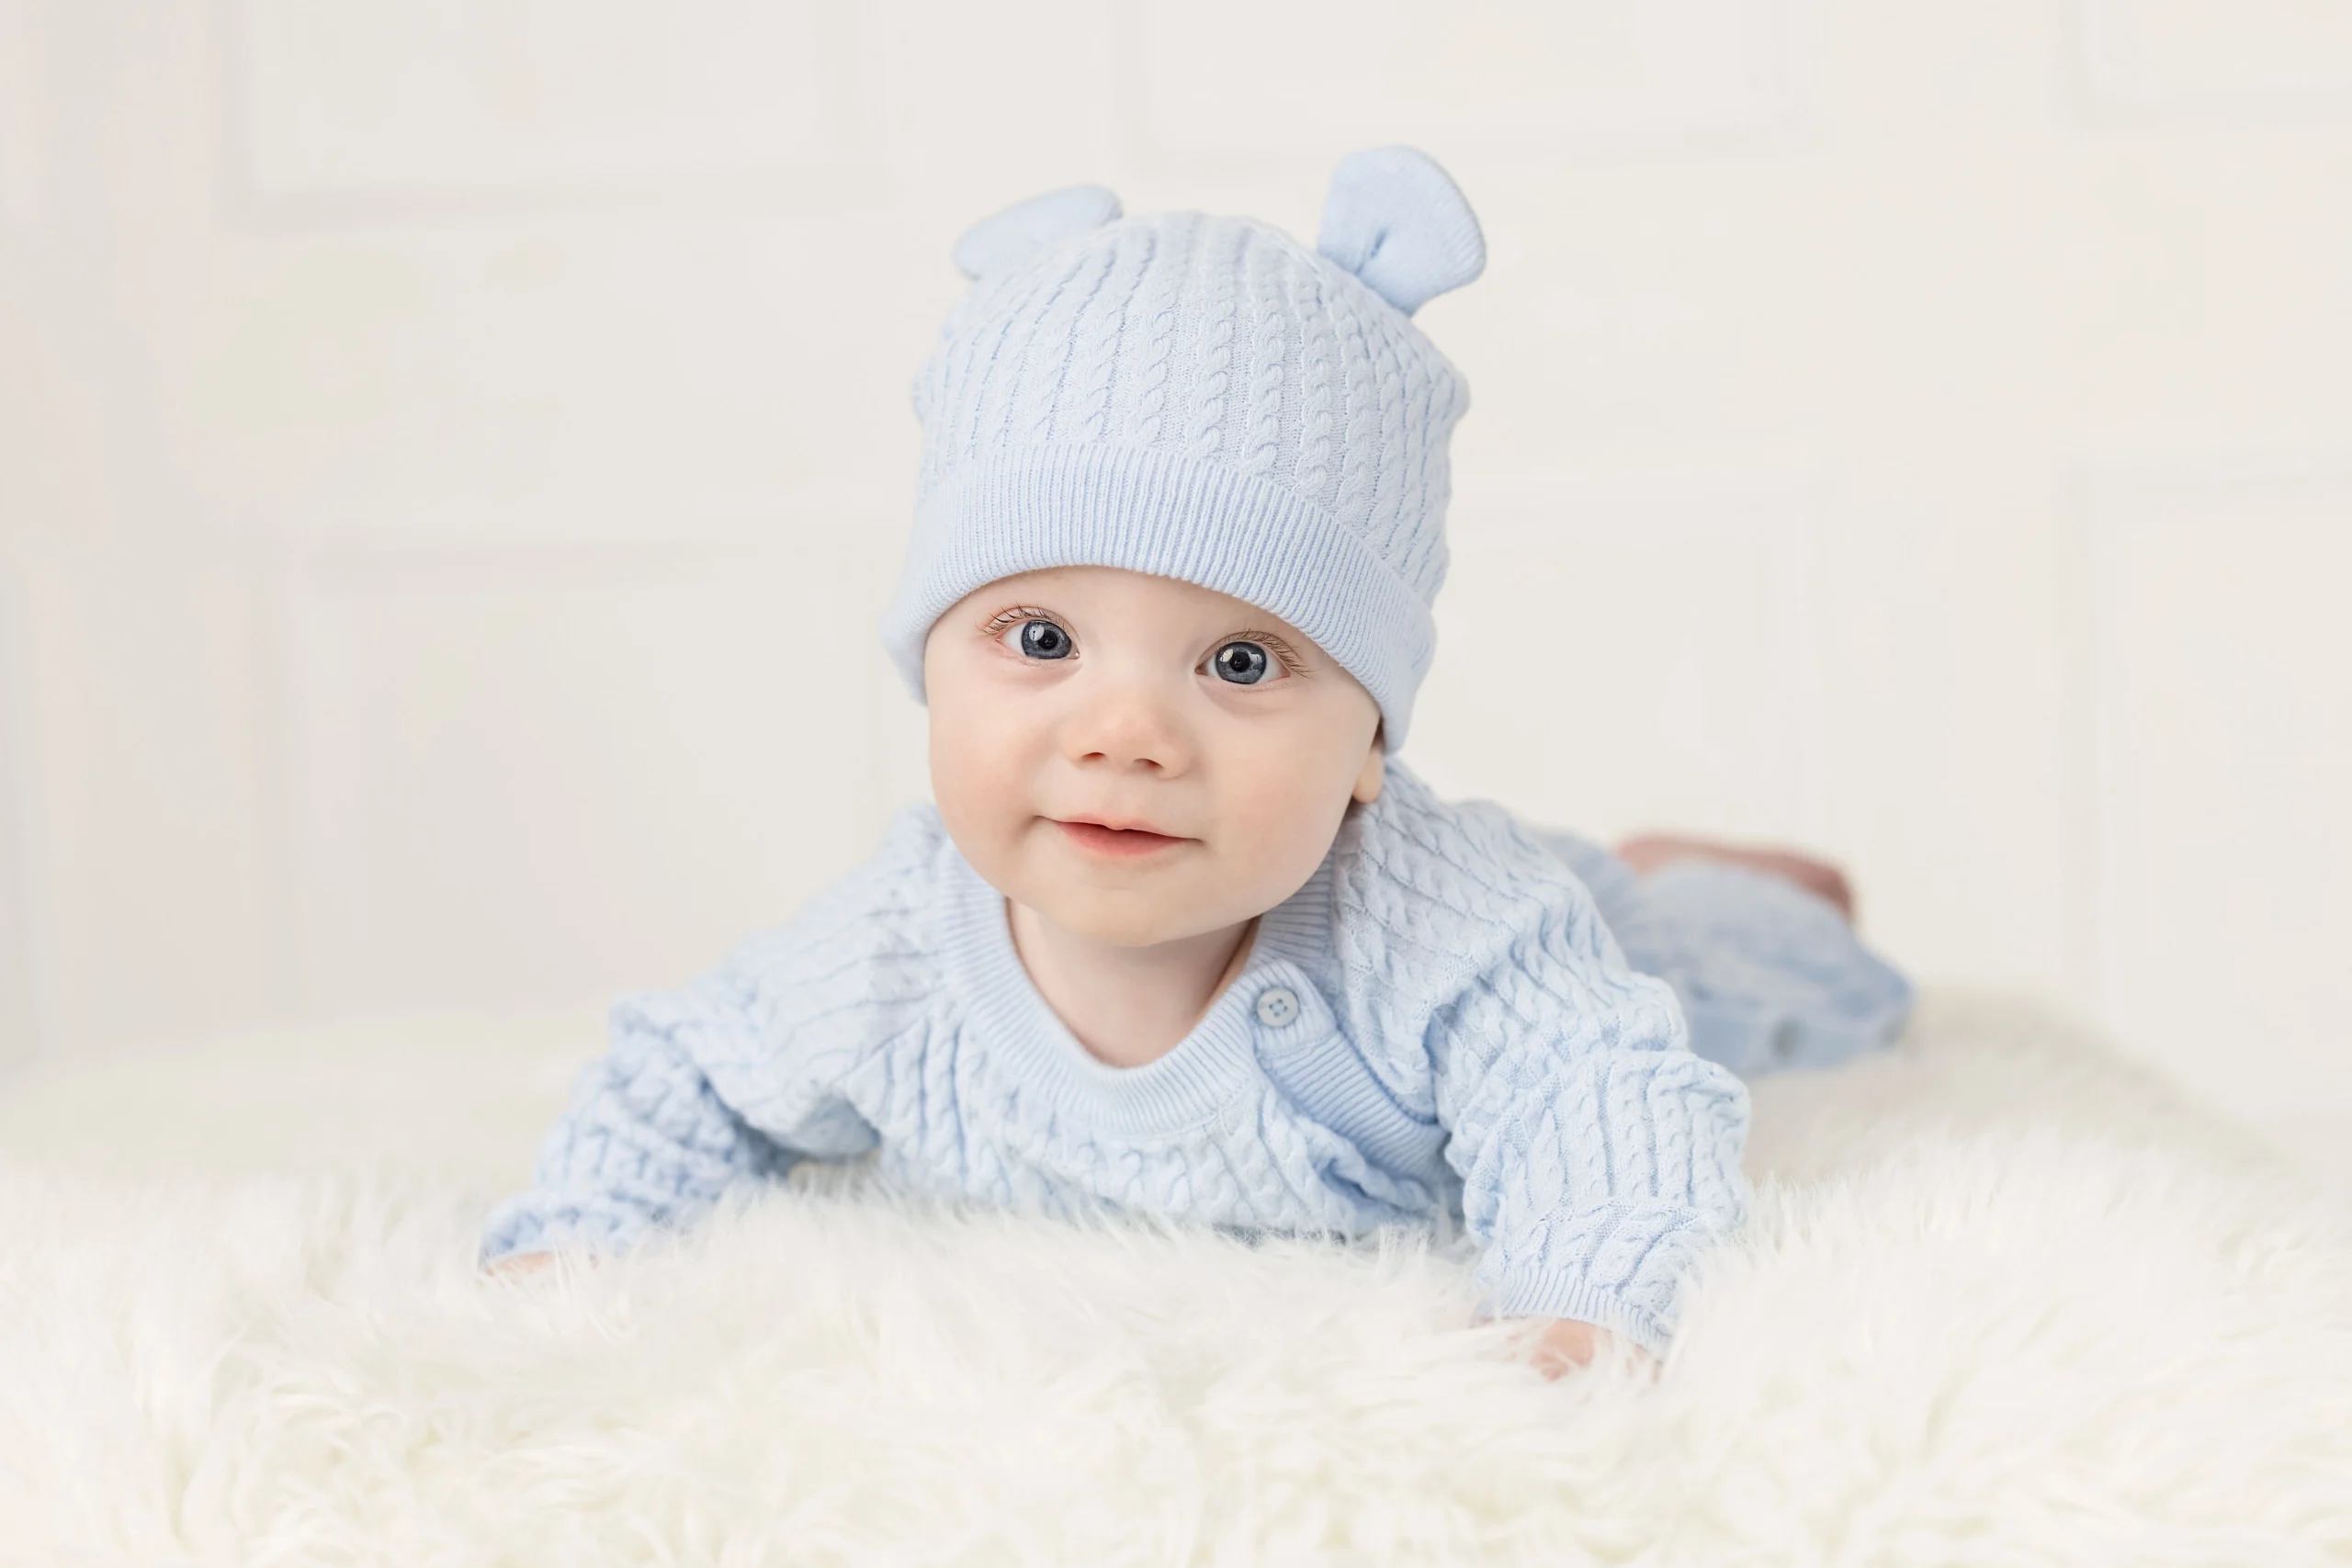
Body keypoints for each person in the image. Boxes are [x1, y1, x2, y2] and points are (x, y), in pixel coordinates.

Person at [478, 149, 1913, 1376]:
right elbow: (689, 1070)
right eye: (1039, 635)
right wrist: (571, 1242)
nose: (1122, 733)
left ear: (1368, 741)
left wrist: (1583, 1309)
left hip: (1608, 927)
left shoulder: (1445, 925)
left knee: (1752, 975)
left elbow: (1598, 1092)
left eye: (1240, 663)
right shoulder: (894, 953)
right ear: (928, 660)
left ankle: (1706, 876)